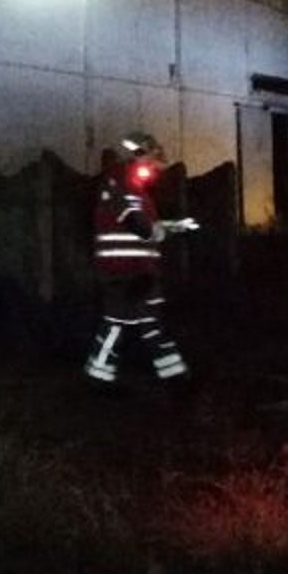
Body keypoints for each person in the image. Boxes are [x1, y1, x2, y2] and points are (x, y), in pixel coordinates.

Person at [83, 131, 197, 389]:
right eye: (151, 161)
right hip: (124, 272)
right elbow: (138, 224)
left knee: (148, 325)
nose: (155, 169)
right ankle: (97, 382)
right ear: (138, 156)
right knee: (117, 324)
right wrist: (159, 230)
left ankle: (177, 380)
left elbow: (146, 225)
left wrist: (174, 226)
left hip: (139, 271)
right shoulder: (121, 182)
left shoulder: (132, 188)